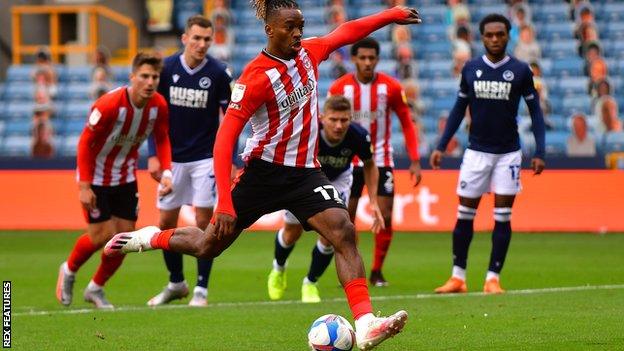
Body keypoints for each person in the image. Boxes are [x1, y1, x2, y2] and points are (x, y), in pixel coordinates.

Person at [105, 2, 421, 349]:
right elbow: (224, 139)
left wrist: (390, 15)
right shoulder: (255, 78)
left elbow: (345, 33)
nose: (297, 33)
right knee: (207, 246)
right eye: (289, 27)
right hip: (263, 175)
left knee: (343, 230)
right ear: (270, 30)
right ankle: (150, 237)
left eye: (300, 25)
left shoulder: (309, 53)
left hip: (305, 174)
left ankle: (365, 324)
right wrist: (224, 201)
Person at [430, 14, 546, 294]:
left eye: (500, 35)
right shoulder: (470, 68)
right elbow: (459, 109)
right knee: (464, 214)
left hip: (508, 153)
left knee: (503, 216)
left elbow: (535, 112)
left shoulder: (520, 71)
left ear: (508, 36)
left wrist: (540, 150)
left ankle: (493, 278)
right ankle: (458, 277)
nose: (494, 39)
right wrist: (441, 145)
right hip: (476, 152)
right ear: (481, 37)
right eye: (489, 35)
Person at [55, 53, 173, 309]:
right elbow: (85, 143)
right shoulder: (109, 105)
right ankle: (69, 268)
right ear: (132, 77)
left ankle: (95, 288)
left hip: (125, 176)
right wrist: (84, 187)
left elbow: (162, 138)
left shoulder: (159, 106)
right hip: (95, 176)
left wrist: (166, 172)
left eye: (154, 77)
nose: (150, 82)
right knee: (100, 236)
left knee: (124, 238)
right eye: (144, 76)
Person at [145, 15, 232, 307]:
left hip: (205, 158)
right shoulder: (166, 69)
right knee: (165, 223)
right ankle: (176, 283)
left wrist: (229, 158)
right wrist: (154, 155)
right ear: (185, 38)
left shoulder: (219, 73)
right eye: (196, 38)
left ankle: (201, 290)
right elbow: (152, 115)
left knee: (205, 221)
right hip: (172, 159)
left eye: (207, 39)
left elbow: (230, 120)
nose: (202, 44)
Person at [267, 95, 384, 303]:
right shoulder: (307, 131)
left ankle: (310, 283)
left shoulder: (358, 136)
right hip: (303, 178)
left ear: (350, 119)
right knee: (292, 232)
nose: (339, 126)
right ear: (322, 117)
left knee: (334, 234)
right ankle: (278, 268)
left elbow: (369, 164)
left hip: (336, 181)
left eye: (344, 120)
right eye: (333, 120)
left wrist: (373, 200)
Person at [328, 37, 422, 287]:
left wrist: (414, 159)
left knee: (387, 214)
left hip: (380, 158)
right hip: (347, 161)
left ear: (377, 59)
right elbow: (325, 122)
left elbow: (406, 122)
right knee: (346, 219)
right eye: (362, 58)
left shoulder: (390, 87)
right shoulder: (340, 87)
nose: (367, 62)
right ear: (355, 59)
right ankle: (352, 268)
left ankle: (377, 270)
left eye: (372, 58)